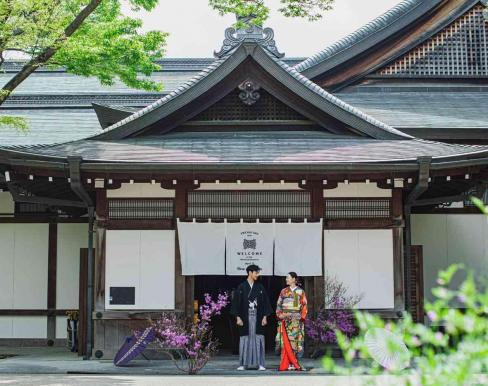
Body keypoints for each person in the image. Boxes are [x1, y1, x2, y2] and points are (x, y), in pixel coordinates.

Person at [230, 264, 272, 371]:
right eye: (256, 272)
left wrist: (265, 317)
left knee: (259, 338)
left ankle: (261, 364)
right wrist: (238, 317)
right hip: (245, 317)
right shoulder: (241, 287)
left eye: (258, 272)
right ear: (250, 273)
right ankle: (243, 364)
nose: (258, 274)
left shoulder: (260, 287)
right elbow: (236, 304)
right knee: (245, 339)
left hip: (258, 317)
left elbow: (266, 302)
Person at [275, 272, 308, 371]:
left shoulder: (300, 292)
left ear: (294, 279)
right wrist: (281, 315)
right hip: (285, 320)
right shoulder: (283, 291)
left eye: (288, 278)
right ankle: (287, 363)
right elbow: (279, 305)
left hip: (296, 321)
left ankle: (294, 363)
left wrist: (301, 317)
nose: (286, 279)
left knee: (295, 342)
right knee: (285, 343)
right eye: (286, 278)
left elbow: (304, 306)